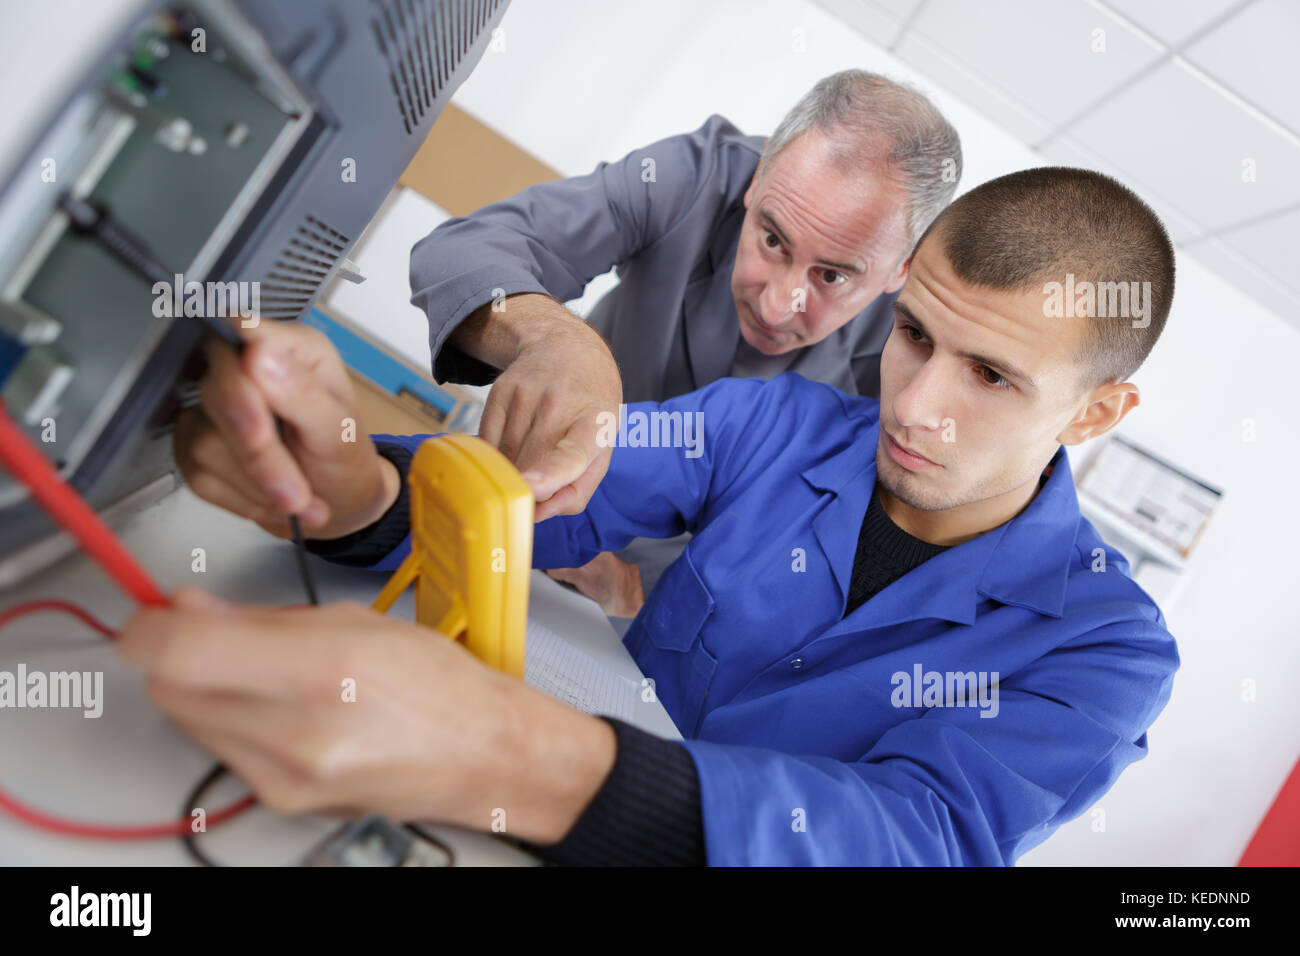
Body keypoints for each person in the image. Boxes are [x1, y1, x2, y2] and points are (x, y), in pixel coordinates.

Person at [123, 166, 1179, 866]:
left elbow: (920, 831)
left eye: (990, 374)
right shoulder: (764, 422)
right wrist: (354, 488)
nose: (913, 405)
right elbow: (532, 499)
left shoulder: (1108, 647)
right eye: (911, 335)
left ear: (1095, 410)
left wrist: (512, 752)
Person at [414, 69, 961, 618]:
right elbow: (460, 252)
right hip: (514, 483)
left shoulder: (915, 350)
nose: (776, 306)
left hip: (670, 594)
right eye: (772, 239)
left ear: (902, 269)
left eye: (833, 277)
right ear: (758, 175)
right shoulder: (696, 175)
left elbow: (835, 542)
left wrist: (640, 591)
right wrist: (558, 344)